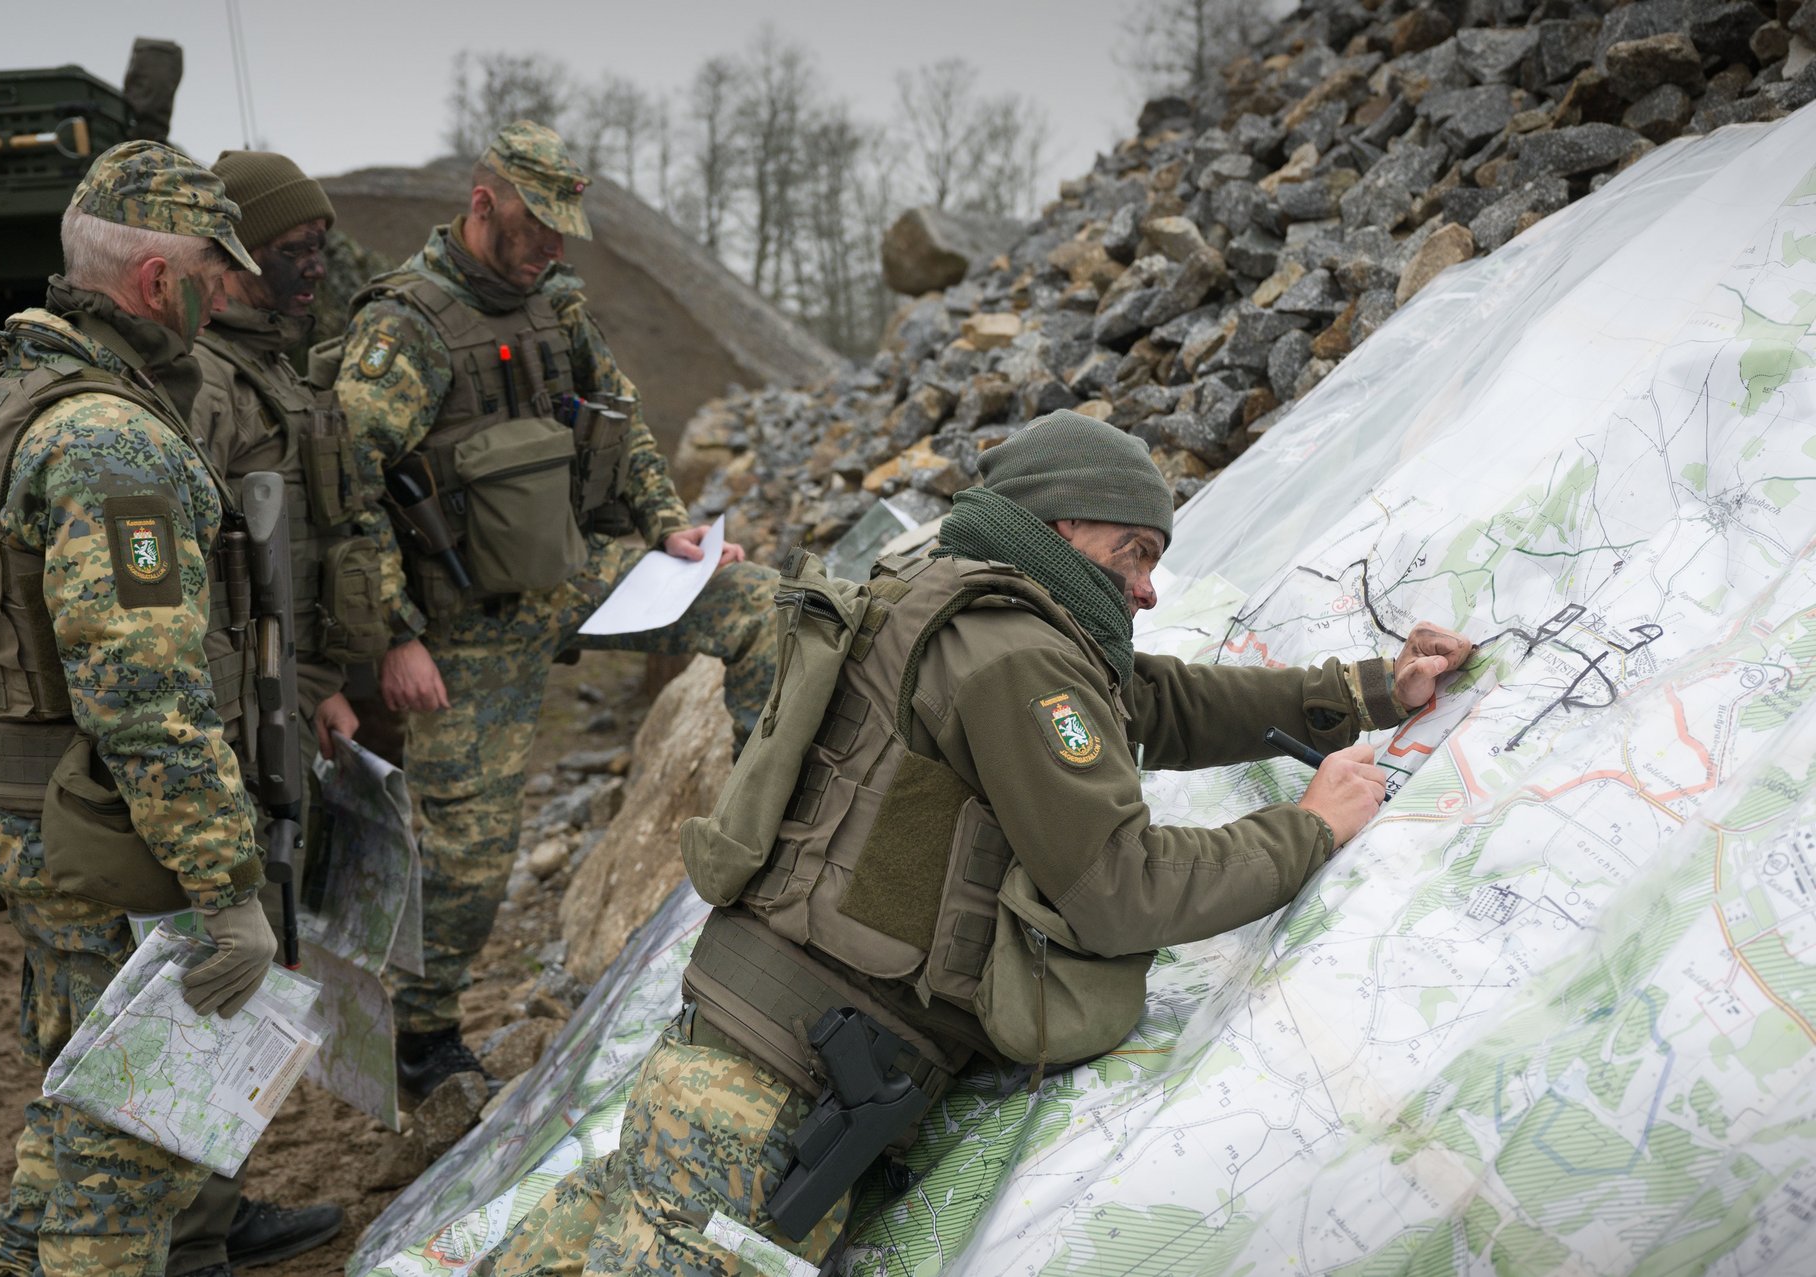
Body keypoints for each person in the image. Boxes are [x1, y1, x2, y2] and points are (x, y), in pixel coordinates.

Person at [490, 411, 1476, 1275]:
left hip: (758, 1058)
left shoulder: (964, 593)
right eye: (1134, 552)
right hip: (777, 1090)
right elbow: (1119, 886)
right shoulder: (1016, 652)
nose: (1148, 587)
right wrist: (1308, 828)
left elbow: (1153, 700)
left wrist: (1366, 692)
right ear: (1064, 530)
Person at [332, 120, 778, 1105]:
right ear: (482, 202)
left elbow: (620, 414)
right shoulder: (402, 326)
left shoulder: (556, 308)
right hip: (461, 621)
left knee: (756, 602)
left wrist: (670, 529)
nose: (553, 247)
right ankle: (421, 1040)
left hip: (571, 572)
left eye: (566, 230)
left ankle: (779, 830)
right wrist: (395, 634)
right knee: (468, 859)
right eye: (538, 226)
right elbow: (347, 491)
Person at [0, 141, 275, 1277]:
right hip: (97, 834)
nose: (225, 299)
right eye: (214, 276)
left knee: (80, 1104)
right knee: (131, 1152)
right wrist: (229, 890)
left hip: (15, 804)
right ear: (160, 281)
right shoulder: (112, 440)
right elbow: (149, 698)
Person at [167, 149, 378, 1277]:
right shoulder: (202, 382)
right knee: (223, 968)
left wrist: (319, 685)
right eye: (293, 248)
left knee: (268, 957)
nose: (316, 266)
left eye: (319, 245)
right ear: (236, 252)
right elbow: (206, 584)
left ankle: (218, 1202)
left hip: (283, 709)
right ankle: (189, 1233)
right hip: (233, 724)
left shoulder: (270, 371)